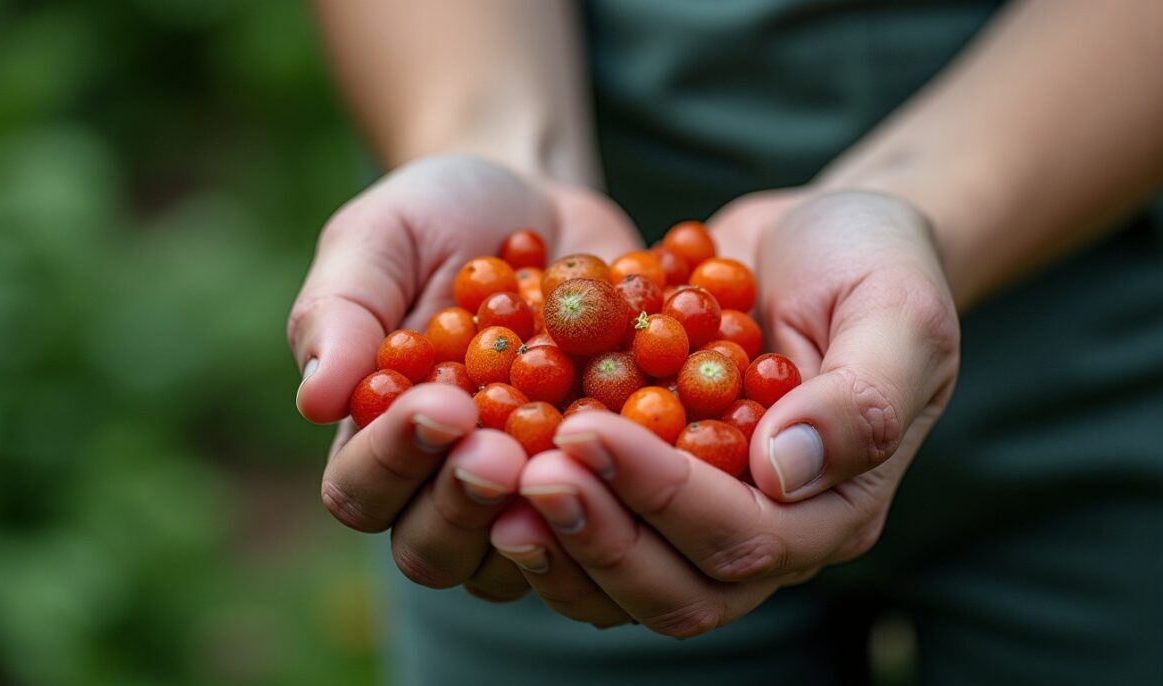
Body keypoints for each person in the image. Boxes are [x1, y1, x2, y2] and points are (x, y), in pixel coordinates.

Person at [288, 1, 1163, 683]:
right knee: (539, 522)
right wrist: (490, 139)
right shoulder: (552, 356)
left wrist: (925, 203)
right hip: (556, 523)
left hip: (1112, 335)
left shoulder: (674, 347)